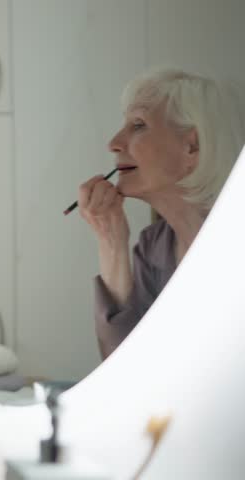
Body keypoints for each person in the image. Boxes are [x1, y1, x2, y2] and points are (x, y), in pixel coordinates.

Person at [78, 68, 245, 359]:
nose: (114, 142)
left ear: (191, 146)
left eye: (138, 125)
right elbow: (125, 369)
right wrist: (111, 240)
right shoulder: (154, 248)